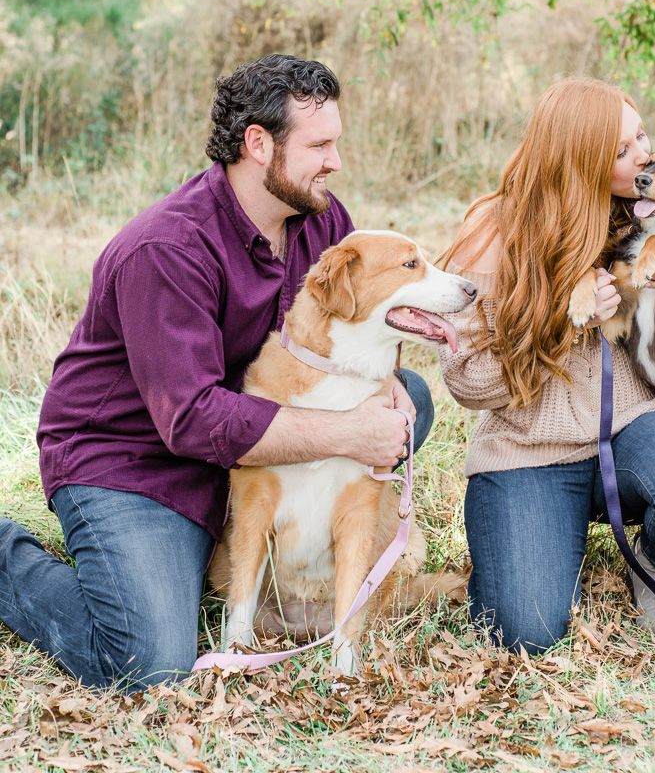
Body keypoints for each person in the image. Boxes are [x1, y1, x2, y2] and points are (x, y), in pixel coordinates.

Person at [0, 54, 434, 690]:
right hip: (138, 462)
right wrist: (345, 432)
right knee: (149, 660)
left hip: (244, 439)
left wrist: (386, 377)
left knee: (410, 399)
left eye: (335, 142)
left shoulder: (323, 220)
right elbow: (192, 420)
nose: (335, 162)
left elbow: (364, 319)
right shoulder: (166, 249)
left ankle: (264, 537)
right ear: (257, 144)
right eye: (319, 145)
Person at [438, 77, 655, 653]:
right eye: (621, 152)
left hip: (635, 433)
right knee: (524, 631)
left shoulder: (652, 212)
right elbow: (466, 381)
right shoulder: (493, 233)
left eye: (642, 137)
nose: (644, 158)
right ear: (578, 161)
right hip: (529, 452)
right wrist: (561, 327)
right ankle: (546, 543)